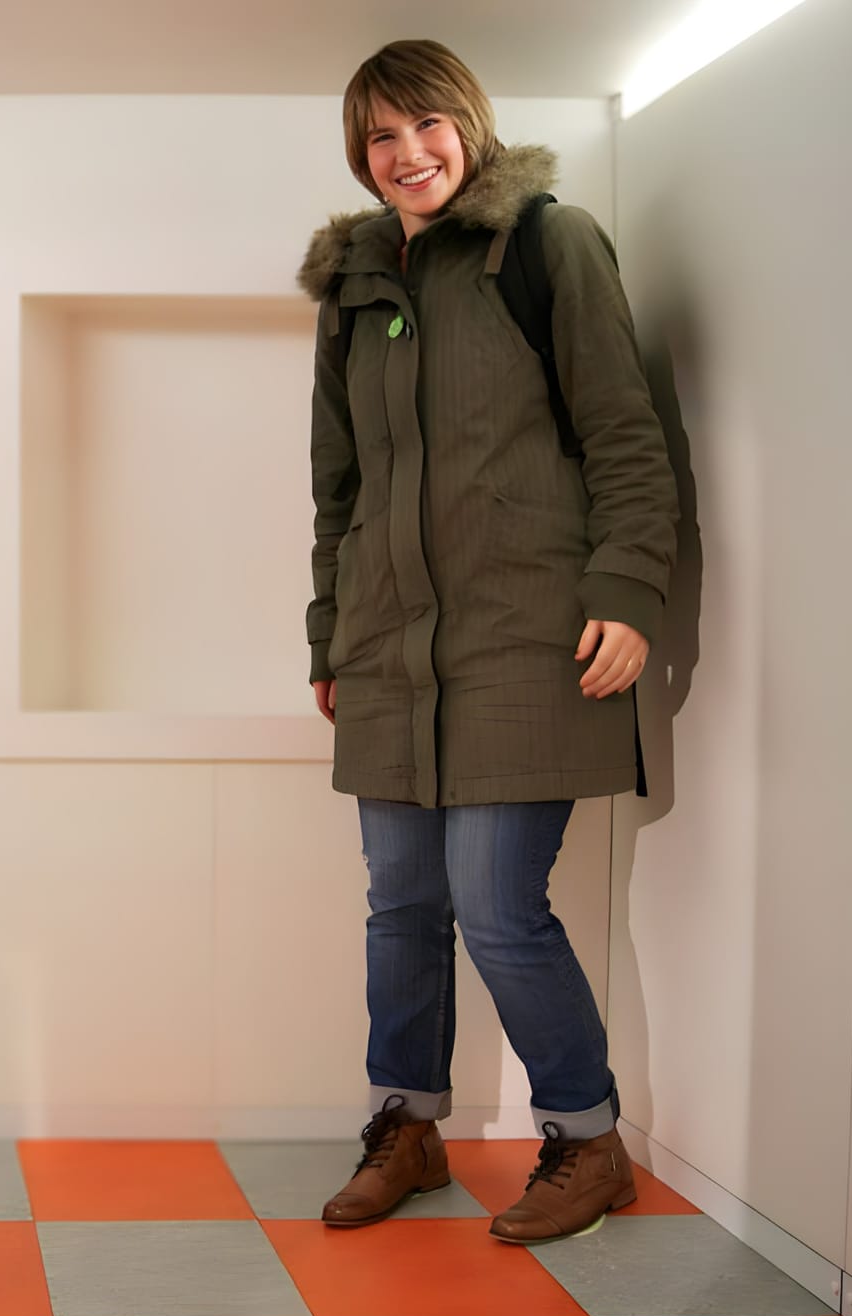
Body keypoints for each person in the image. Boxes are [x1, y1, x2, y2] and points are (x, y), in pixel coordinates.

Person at [298, 40, 678, 1242]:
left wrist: (626, 589)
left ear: (467, 123)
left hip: (526, 638)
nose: (406, 154)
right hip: (386, 647)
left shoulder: (545, 246)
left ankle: (585, 1140)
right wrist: (329, 637)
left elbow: (623, 433)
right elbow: (338, 490)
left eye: (425, 126)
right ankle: (406, 1128)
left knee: (497, 904)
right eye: (379, 137)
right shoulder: (353, 290)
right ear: (358, 156)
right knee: (400, 904)